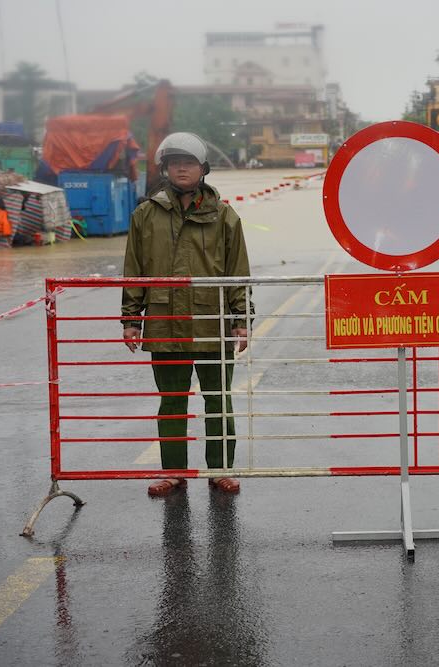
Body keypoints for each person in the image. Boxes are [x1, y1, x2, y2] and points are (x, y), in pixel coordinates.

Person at [121, 131, 254, 497]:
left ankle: (220, 470)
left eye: (189, 162)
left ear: (203, 169)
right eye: (175, 162)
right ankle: (174, 472)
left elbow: (238, 273)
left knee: (218, 400)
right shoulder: (145, 215)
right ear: (164, 168)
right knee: (172, 402)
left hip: (213, 323)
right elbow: (135, 270)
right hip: (165, 323)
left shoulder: (225, 217)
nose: (182, 168)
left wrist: (242, 321)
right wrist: (131, 320)